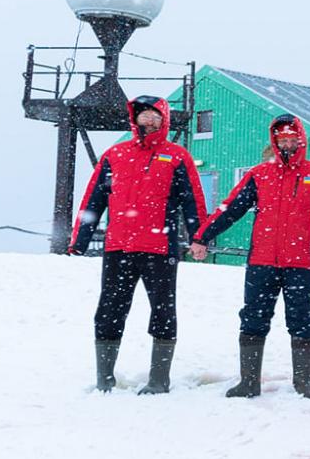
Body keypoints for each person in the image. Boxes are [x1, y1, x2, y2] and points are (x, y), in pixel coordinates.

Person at [190, 114, 310, 399]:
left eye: (293, 139)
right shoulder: (259, 175)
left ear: (301, 141)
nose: (288, 144)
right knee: (253, 318)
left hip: (301, 263)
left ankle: (303, 384)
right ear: (275, 142)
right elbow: (231, 209)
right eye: (283, 140)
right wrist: (202, 236)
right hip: (261, 262)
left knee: (302, 320)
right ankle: (249, 382)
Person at [68, 95, 207, 395]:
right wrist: (79, 240)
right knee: (109, 310)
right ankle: (104, 377)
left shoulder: (177, 156)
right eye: (143, 115)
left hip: (160, 248)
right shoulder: (115, 155)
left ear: (164, 120)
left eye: (154, 116)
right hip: (119, 247)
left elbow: (192, 201)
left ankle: (159, 379)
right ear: (135, 119)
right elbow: (94, 199)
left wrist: (199, 237)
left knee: (163, 311)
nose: (148, 120)